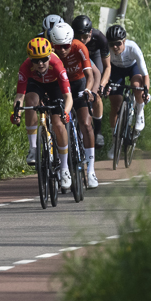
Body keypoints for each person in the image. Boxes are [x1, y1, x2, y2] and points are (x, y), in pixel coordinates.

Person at [11, 36, 73, 191]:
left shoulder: (57, 64)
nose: (40, 64)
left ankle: (65, 169)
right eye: (35, 60)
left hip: (55, 87)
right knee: (31, 102)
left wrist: (65, 112)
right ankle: (33, 149)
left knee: (58, 124)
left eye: (44, 59)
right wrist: (16, 112)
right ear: (30, 59)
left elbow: (68, 97)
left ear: (49, 56)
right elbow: (20, 96)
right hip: (36, 84)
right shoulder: (25, 67)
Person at [49, 21, 99, 189]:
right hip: (59, 85)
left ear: (71, 42)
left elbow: (90, 76)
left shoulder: (79, 47)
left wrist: (88, 90)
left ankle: (91, 170)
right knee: (57, 123)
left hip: (78, 83)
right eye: (58, 46)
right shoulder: (50, 51)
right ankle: (58, 162)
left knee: (86, 123)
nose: (61, 50)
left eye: (65, 46)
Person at [105, 24, 150, 159]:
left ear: (124, 41)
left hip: (132, 68)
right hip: (116, 69)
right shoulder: (108, 50)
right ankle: (115, 142)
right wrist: (106, 85)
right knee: (115, 103)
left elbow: (145, 74)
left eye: (118, 43)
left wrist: (145, 91)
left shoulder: (133, 48)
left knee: (137, 85)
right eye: (112, 44)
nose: (115, 47)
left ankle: (140, 112)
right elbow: (106, 69)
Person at [71, 14, 110, 152]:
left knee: (97, 93)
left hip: (94, 56)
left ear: (91, 33)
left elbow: (107, 67)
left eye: (85, 37)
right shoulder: (70, 40)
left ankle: (98, 131)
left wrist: (102, 85)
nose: (82, 40)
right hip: (78, 56)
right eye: (78, 37)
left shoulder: (100, 38)